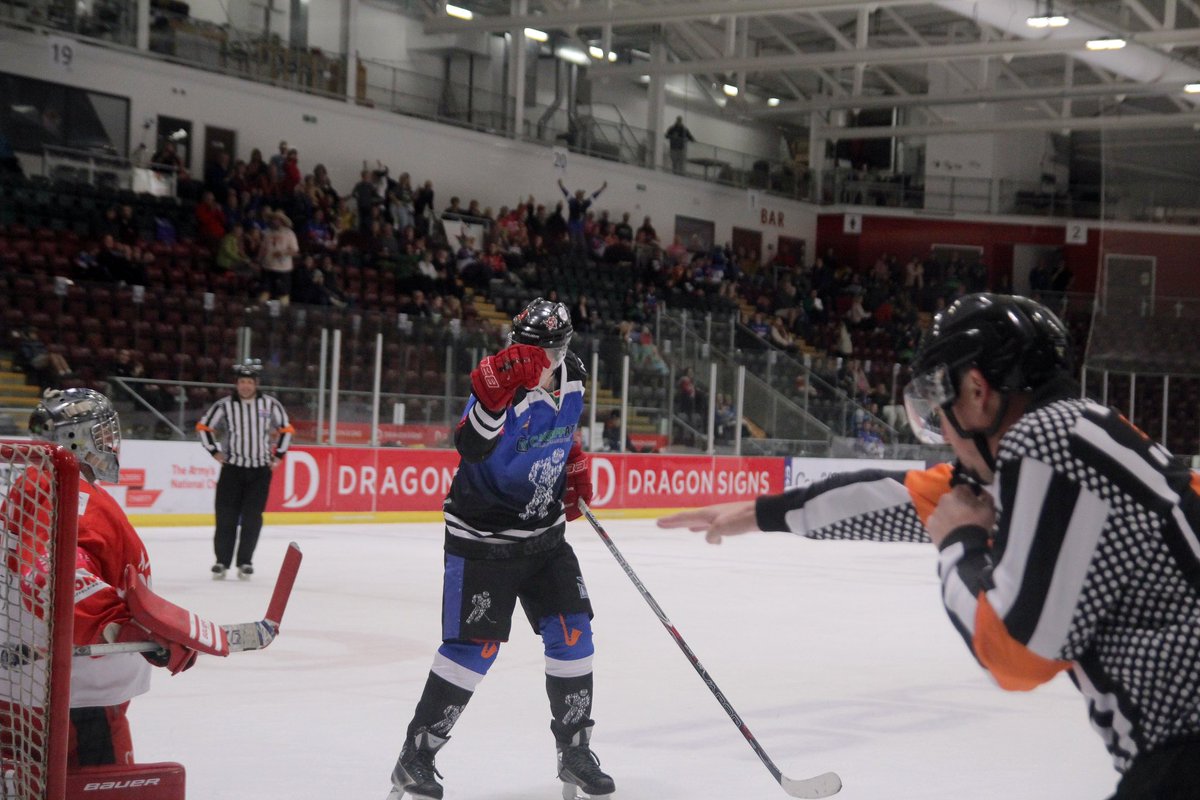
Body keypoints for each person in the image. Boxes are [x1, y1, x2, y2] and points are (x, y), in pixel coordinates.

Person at [665, 293, 1200, 798]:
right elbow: (899, 499)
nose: (943, 431)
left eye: (937, 409)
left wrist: (960, 545)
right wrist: (761, 514)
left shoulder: (1046, 441)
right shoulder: (1075, 439)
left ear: (975, 390)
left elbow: (1017, 655)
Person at [386, 298, 614, 800]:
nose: (533, 355)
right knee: (475, 648)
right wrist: (491, 398)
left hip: (545, 536)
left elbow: (560, 431)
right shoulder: (500, 381)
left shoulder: (573, 372)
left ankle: (574, 749)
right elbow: (471, 445)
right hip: (483, 539)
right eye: (524, 344)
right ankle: (415, 756)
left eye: (545, 348)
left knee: (573, 632)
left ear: (564, 347)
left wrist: (573, 463)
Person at [3, 389, 197, 768]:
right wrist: (125, 629)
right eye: (103, 434)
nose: (111, 443)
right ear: (77, 442)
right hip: (75, 702)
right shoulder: (66, 498)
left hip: (38, 690)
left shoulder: (39, 485)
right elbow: (47, 576)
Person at [195, 359, 293, 580]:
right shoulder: (224, 405)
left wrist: (279, 456)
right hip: (232, 470)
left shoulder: (270, 405)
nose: (246, 385)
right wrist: (214, 451)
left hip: (259, 472)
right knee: (226, 517)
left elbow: (286, 429)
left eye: (249, 381)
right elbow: (203, 428)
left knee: (252, 518)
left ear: (256, 383)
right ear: (237, 384)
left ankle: (245, 562)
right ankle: (221, 561)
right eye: (242, 381)